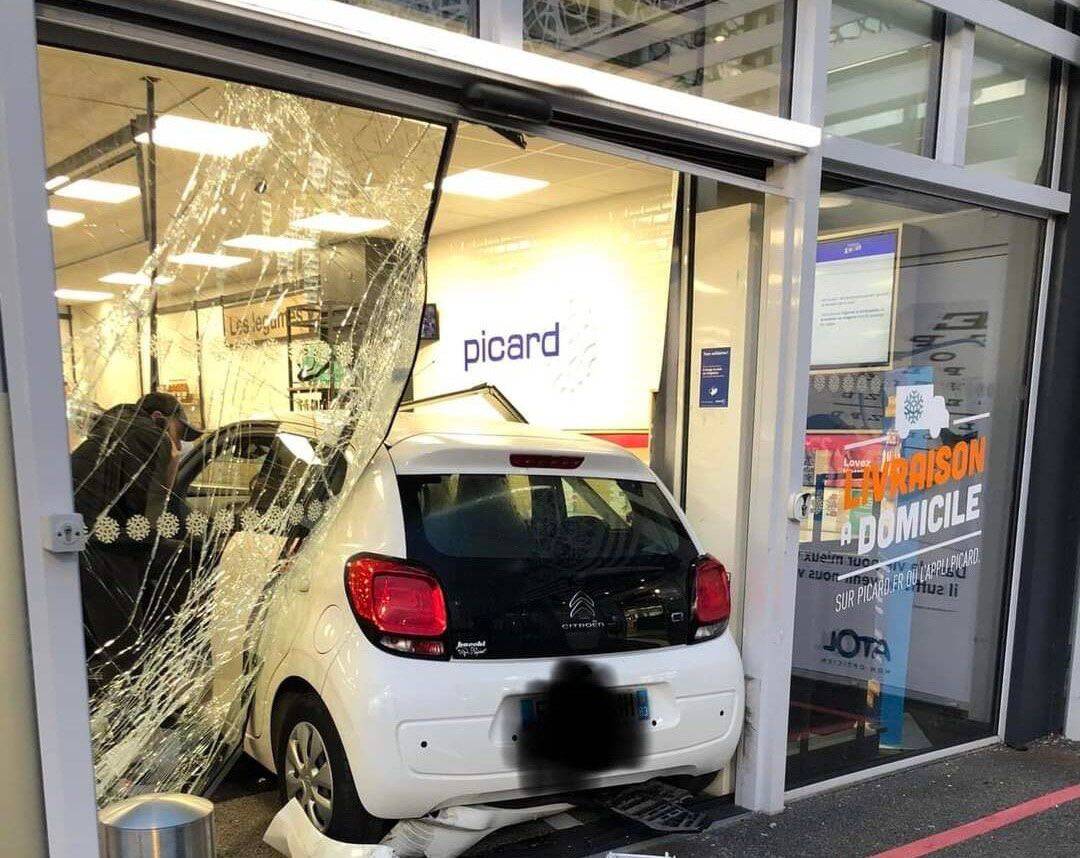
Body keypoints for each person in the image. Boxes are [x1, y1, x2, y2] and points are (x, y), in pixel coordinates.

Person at [71, 392, 202, 691]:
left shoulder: (116, 430)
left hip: (79, 542)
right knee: (124, 643)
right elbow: (147, 518)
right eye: (179, 433)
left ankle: (116, 707)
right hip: (99, 546)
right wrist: (170, 466)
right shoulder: (146, 436)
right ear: (159, 419)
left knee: (99, 639)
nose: (179, 444)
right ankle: (127, 716)